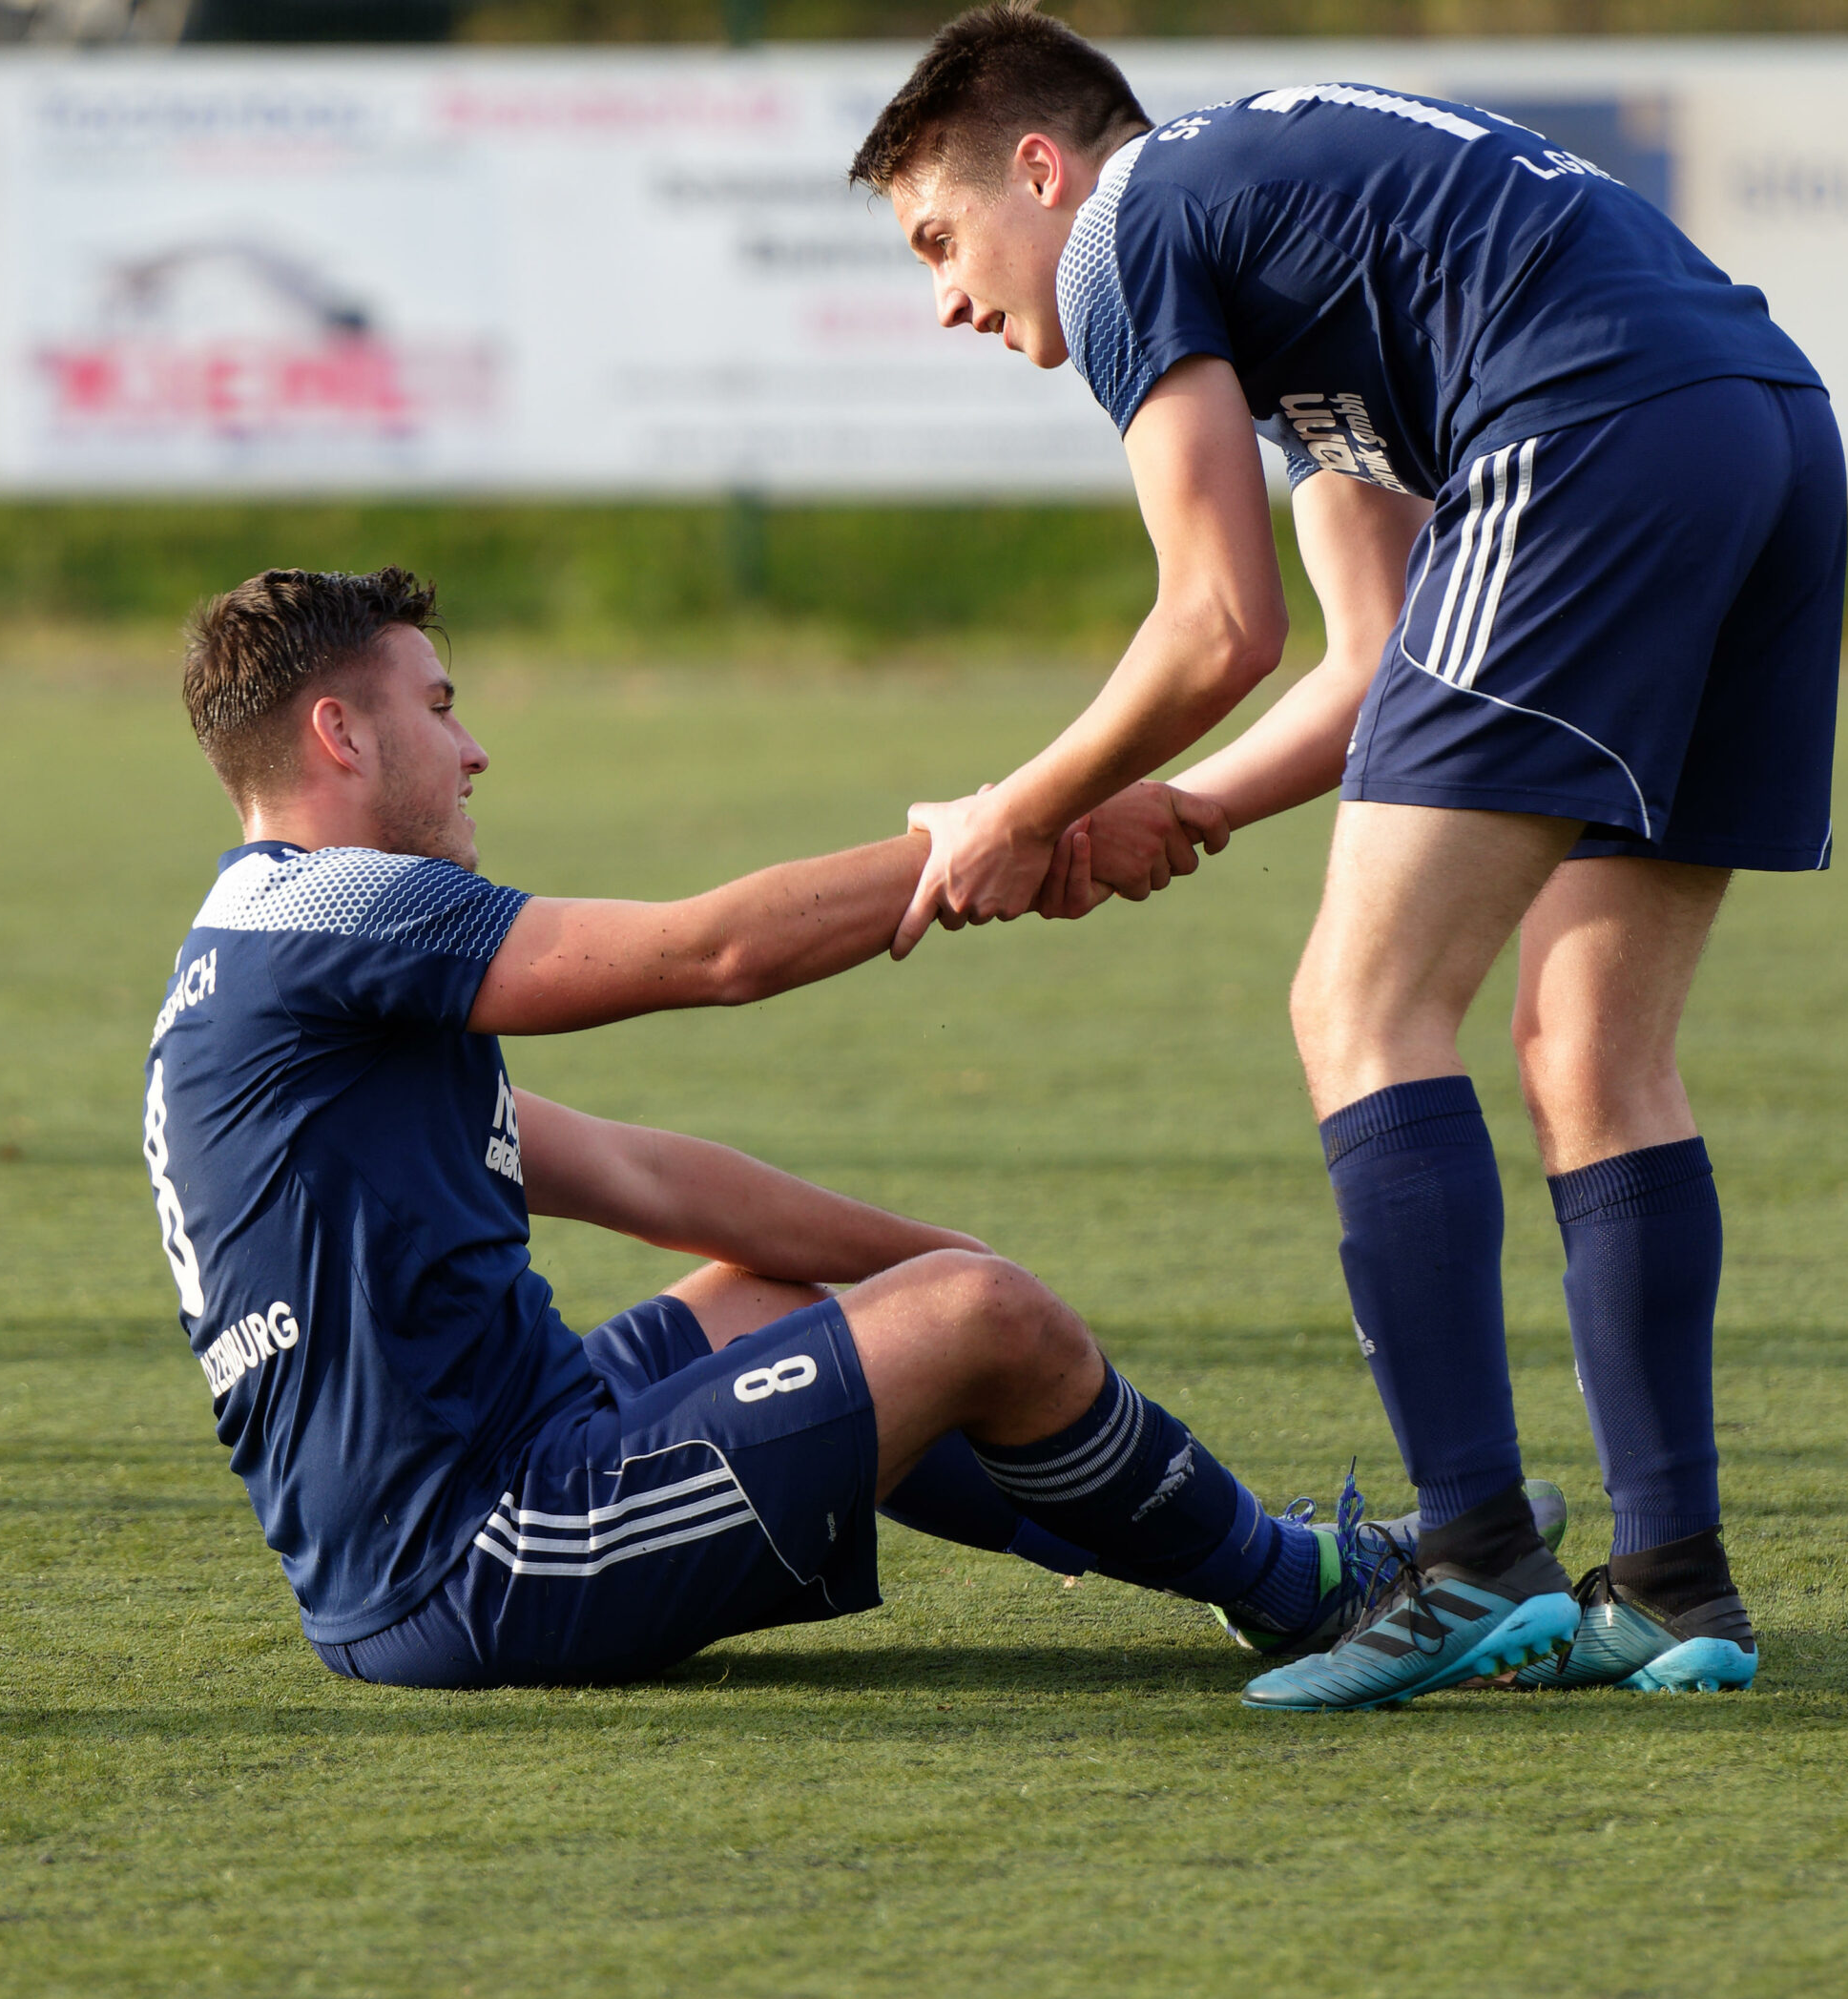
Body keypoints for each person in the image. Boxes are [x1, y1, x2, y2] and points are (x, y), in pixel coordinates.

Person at [847, 0, 1844, 1709]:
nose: (945, 293)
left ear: (1042, 166)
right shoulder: (1290, 255)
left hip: (1590, 428)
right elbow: (1371, 659)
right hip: (1761, 429)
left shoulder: (1130, 226)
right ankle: (1677, 1584)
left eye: (941, 237)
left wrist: (1012, 806)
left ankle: (1467, 1555)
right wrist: (1188, 805)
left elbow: (1215, 621)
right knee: (1590, 1051)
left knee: (1359, 1007)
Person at [145, 563, 1419, 1690]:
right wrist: (1010, 829)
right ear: (338, 736)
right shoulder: (339, 914)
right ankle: (1319, 1592)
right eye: (438, 708)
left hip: (470, 1495)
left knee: (812, 1300)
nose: (472, 749)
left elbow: (643, 1174)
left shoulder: (261, 964)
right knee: (981, 1319)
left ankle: (1197, 1538)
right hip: (481, 1558)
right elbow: (717, 952)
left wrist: (929, 1253)